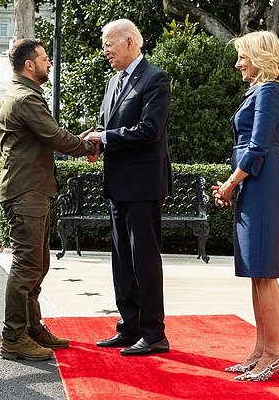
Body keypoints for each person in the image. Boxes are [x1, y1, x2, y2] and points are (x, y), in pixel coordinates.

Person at [0, 38, 98, 361]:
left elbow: (49, 136)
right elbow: (54, 136)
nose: (49, 64)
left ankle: (31, 327)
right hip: (26, 192)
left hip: (31, 189)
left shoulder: (22, 94)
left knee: (38, 263)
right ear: (30, 65)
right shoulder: (26, 98)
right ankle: (13, 336)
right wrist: (87, 145)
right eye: (44, 59)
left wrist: (79, 143)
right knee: (27, 265)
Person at [84, 19, 172, 356]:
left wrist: (104, 138)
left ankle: (154, 333)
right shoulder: (112, 82)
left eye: (109, 43)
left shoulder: (155, 78)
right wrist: (97, 142)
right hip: (117, 184)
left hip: (144, 185)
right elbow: (111, 126)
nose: (105, 50)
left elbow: (150, 129)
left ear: (131, 42)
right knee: (122, 261)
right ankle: (129, 326)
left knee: (144, 261)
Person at [212, 31, 279, 382]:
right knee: (257, 272)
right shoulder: (260, 91)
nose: (237, 63)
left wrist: (231, 182)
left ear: (260, 57)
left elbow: (257, 146)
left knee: (265, 272)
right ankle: (260, 349)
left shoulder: (270, 91)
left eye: (243, 56)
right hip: (254, 183)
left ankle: (274, 353)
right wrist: (233, 185)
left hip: (262, 182)